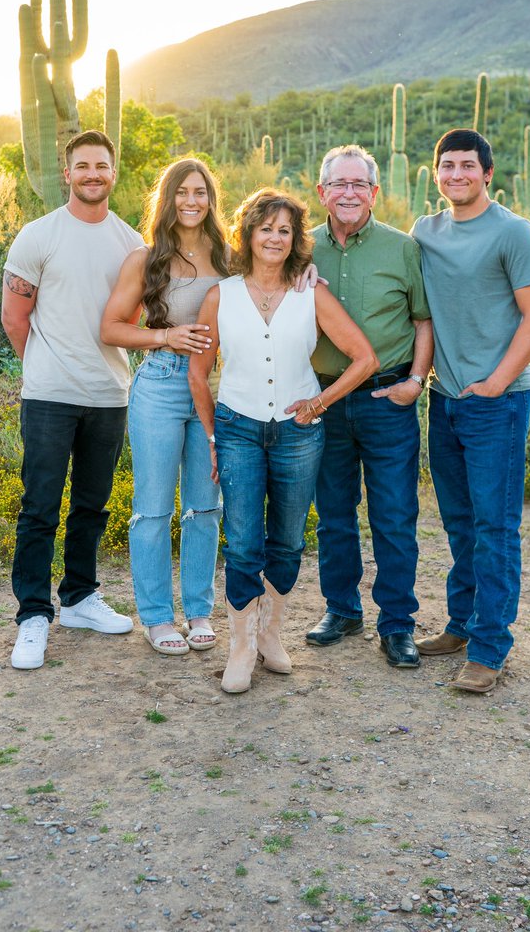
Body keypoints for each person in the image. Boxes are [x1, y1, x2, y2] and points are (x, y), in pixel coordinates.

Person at [189, 188, 377, 695]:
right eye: (265, 227)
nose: (274, 237)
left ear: (295, 240)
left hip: (299, 435)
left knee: (289, 542)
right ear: (248, 233)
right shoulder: (221, 295)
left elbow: (365, 359)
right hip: (238, 430)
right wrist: (212, 435)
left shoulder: (309, 293)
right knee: (245, 543)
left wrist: (319, 403)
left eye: (284, 230)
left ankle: (271, 634)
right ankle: (241, 647)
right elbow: (199, 373)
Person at [412, 129, 530, 694]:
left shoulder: (515, 234)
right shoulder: (426, 231)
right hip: (444, 400)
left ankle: (490, 647)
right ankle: (462, 625)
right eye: (447, 166)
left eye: (468, 165)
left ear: (488, 173)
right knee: (460, 523)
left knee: (496, 527)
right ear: (437, 174)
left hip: (498, 402)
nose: (457, 175)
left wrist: (495, 382)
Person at [2, 130, 143, 670]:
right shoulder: (39, 236)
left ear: (113, 172)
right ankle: (33, 615)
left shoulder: (131, 244)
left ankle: (81, 598)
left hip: (109, 394)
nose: (91, 173)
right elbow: (15, 318)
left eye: (100, 165)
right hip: (49, 395)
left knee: (92, 504)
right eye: (81, 165)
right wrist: (44, 366)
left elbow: (131, 318)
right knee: (39, 507)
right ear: (67, 173)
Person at [305, 145, 433, 668]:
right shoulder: (299, 247)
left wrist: (416, 383)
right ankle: (342, 609)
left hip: (388, 399)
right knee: (334, 516)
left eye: (360, 184)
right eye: (339, 184)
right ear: (322, 192)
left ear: (375, 192)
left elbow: (423, 320)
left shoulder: (403, 249)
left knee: (395, 516)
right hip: (325, 399)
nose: (349, 193)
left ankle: (397, 624)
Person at [100, 158, 228, 656]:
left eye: (200, 192)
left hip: (217, 389)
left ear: (211, 199)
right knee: (152, 509)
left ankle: (198, 610)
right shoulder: (145, 259)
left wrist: (309, 280)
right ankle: (156, 616)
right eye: (182, 192)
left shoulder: (230, 255)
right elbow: (111, 328)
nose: (191, 201)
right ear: (168, 197)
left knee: (204, 506)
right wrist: (165, 335)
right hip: (159, 383)